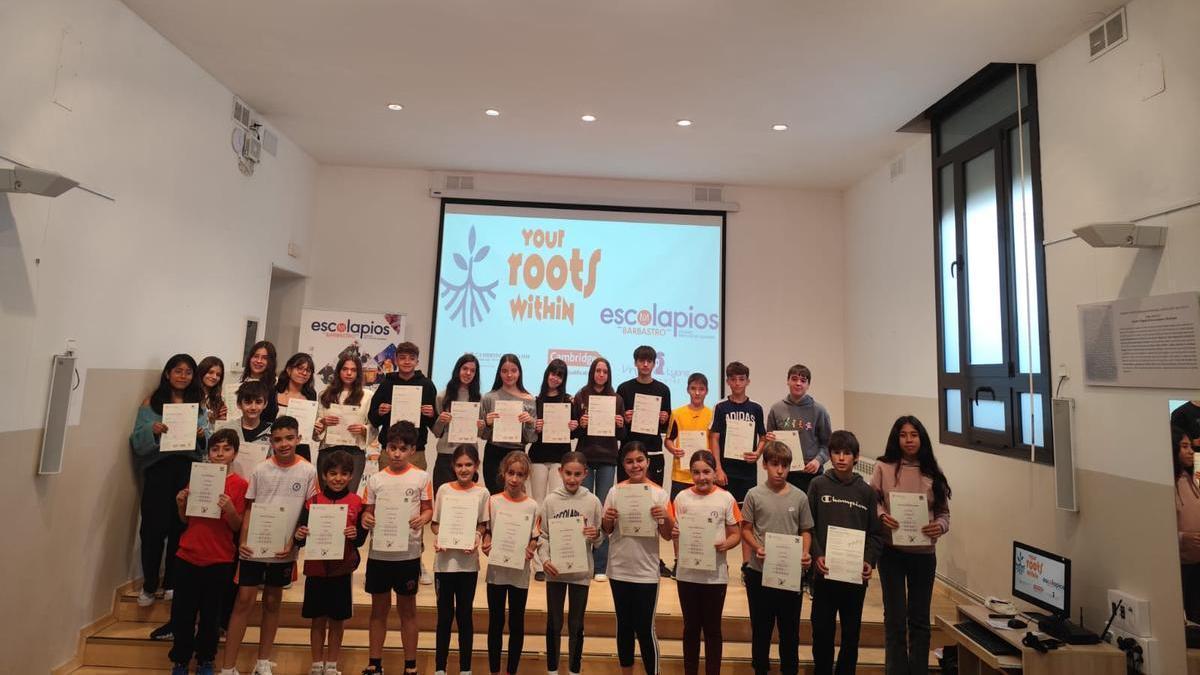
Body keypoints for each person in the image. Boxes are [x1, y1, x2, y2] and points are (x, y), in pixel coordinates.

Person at [220, 416, 319, 675]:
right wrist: (243, 540)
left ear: (298, 438)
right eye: (277, 439)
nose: (283, 444)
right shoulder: (260, 470)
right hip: (254, 547)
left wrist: (294, 543)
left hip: (283, 550)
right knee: (243, 601)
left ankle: (263, 661)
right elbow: (251, 508)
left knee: (273, 602)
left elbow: (308, 511)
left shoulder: (308, 470)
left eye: (289, 438)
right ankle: (228, 666)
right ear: (271, 442)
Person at [871, 416, 951, 675]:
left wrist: (939, 526)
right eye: (903, 435)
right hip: (891, 552)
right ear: (897, 438)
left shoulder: (932, 471)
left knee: (919, 620)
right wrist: (882, 516)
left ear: (921, 438)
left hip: (923, 555)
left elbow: (943, 514)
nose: (908, 440)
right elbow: (873, 501)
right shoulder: (883, 467)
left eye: (913, 435)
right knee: (894, 619)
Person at [167, 428, 247, 675]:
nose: (220, 454)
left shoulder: (240, 485)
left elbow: (237, 525)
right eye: (215, 449)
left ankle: (205, 660)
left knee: (211, 616)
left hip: (219, 559)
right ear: (208, 452)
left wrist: (230, 509)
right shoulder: (197, 477)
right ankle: (180, 660)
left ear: (234, 453)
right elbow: (185, 519)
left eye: (226, 449)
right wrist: (181, 504)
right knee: (183, 613)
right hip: (188, 555)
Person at [130, 353, 208, 608]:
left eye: (188, 372)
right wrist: (152, 432)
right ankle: (150, 584)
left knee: (181, 526)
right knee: (152, 529)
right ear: (167, 373)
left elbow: (206, 442)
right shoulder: (151, 403)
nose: (183, 376)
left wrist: (199, 436)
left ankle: (172, 582)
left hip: (187, 470)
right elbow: (137, 441)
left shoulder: (199, 404)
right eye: (178, 371)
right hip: (159, 470)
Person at [808, 430, 885, 675]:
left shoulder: (866, 492)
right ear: (829, 456)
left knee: (851, 636)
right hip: (824, 575)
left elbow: (875, 533)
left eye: (847, 453)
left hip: (853, 578)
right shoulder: (818, 484)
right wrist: (817, 554)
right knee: (822, 633)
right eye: (836, 453)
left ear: (856, 457)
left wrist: (868, 561)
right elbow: (808, 526)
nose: (841, 458)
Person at [361, 421, 434, 675]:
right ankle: (374, 663)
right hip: (379, 553)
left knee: (408, 612)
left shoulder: (422, 477)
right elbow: (367, 514)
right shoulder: (375, 479)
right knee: (378, 611)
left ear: (413, 450)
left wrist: (423, 519)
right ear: (385, 449)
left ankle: (410, 665)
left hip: (408, 554)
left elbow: (428, 510)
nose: (396, 453)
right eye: (392, 448)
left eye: (403, 449)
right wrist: (365, 519)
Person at [601, 441, 674, 675]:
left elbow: (666, 535)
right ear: (623, 464)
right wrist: (608, 518)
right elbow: (607, 529)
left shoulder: (660, 494)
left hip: (646, 572)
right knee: (624, 626)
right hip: (619, 568)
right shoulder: (615, 491)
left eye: (639, 460)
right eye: (630, 461)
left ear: (648, 462)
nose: (635, 465)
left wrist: (666, 517)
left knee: (644, 628)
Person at [740, 440, 813, 675]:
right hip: (759, 572)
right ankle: (760, 669)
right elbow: (746, 529)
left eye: (784, 465)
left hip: (790, 575)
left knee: (790, 631)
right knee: (761, 630)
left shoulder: (800, 497)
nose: (780, 470)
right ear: (765, 465)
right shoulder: (753, 494)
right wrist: (756, 547)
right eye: (774, 464)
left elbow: (805, 530)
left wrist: (804, 552)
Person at [294, 449, 368, 675]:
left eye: (344, 474)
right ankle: (317, 665)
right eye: (333, 473)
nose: (338, 478)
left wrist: (355, 534)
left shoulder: (357, 502)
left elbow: (361, 539)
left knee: (337, 620)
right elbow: (300, 537)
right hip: (316, 570)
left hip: (341, 571)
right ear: (324, 475)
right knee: (317, 619)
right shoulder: (312, 502)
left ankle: (332, 665)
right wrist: (300, 535)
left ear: (351, 476)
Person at [669, 450, 741, 675]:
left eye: (706, 472)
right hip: (687, 574)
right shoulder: (681, 498)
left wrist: (725, 544)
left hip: (715, 575)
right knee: (690, 628)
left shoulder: (726, 498)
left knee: (712, 629)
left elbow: (735, 534)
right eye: (696, 472)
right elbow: (675, 533)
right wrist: (678, 549)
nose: (701, 477)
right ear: (690, 474)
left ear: (715, 472)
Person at [538, 451, 605, 675]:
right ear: (560, 472)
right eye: (568, 473)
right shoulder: (550, 500)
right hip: (555, 571)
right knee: (554, 623)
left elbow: (599, 539)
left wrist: (595, 534)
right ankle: (552, 669)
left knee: (576, 625)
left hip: (580, 573)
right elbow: (543, 536)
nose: (572, 479)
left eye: (577, 474)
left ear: (586, 474)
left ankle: (575, 669)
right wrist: (545, 560)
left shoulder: (593, 501)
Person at [431, 446, 490, 675]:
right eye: (459, 465)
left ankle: (466, 668)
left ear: (476, 466)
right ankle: (439, 668)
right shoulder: (444, 490)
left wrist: (476, 536)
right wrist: (439, 537)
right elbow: (435, 523)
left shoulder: (482, 493)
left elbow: (483, 524)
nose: (463, 469)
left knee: (465, 615)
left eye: (468, 465)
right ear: (452, 466)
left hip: (468, 564)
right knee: (443, 617)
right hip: (444, 563)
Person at [483, 451, 540, 675]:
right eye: (511, 473)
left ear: (526, 477)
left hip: (519, 573)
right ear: (503, 473)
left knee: (516, 623)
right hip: (497, 571)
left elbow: (535, 537)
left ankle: (511, 671)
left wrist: (531, 548)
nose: (515, 479)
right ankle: (495, 670)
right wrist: (485, 544)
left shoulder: (533, 506)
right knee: (495, 622)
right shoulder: (493, 502)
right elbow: (487, 531)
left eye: (520, 474)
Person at [572, 357, 626, 581]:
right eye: (598, 370)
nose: (601, 374)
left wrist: (621, 424)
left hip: (607, 459)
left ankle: (601, 565)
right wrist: (581, 425)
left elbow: (622, 436)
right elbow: (573, 432)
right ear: (592, 372)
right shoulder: (581, 395)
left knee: (603, 509)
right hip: (585, 457)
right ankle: (579, 559)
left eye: (605, 371)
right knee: (583, 508)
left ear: (609, 374)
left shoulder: (617, 399)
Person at [663, 373, 713, 574]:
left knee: (704, 520)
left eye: (701, 389)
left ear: (706, 391)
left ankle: (703, 558)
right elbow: (668, 439)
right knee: (678, 522)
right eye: (693, 388)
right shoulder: (677, 413)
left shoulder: (712, 414)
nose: (697, 392)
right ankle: (679, 560)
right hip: (681, 475)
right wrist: (672, 449)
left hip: (704, 478)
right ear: (687, 389)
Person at [368, 341, 438, 471]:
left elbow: (435, 425)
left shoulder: (427, 385)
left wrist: (432, 414)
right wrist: (380, 412)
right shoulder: (386, 384)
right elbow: (372, 418)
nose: (407, 362)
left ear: (417, 362)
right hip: (389, 451)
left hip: (416, 452)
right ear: (396, 360)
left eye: (412, 358)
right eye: (402, 358)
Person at [765, 364, 831, 493]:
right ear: (788, 381)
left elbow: (828, 444)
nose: (798, 383)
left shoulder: (819, 410)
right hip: (783, 472)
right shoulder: (776, 409)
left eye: (803, 380)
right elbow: (770, 444)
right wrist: (770, 440)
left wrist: (818, 461)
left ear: (808, 385)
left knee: (810, 512)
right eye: (794, 379)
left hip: (811, 472)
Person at [709, 361, 766, 504]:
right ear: (727, 381)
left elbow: (763, 437)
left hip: (748, 470)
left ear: (748, 381)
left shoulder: (756, 408)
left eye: (741, 379)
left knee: (746, 512)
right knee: (724, 509)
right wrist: (718, 468)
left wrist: (758, 453)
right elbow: (714, 438)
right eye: (733, 379)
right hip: (726, 471)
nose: (737, 383)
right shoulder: (720, 407)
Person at [479, 353, 536, 493]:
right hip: (494, 453)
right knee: (494, 497)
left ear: (520, 372)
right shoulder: (489, 398)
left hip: (518, 453)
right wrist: (488, 423)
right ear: (499, 373)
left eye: (513, 371)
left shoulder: (529, 399)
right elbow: (482, 435)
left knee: (515, 498)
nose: (509, 375)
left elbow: (531, 438)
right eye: (504, 371)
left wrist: (529, 422)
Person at [314, 355, 372, 493]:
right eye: (345, 369)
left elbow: (372, 426)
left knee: (349, 498)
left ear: (358, 373)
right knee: (326, 497)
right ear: (338, 371)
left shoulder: (367, 395)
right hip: (328, 450)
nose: (349, 373)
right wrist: (322, 422)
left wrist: (364, 430)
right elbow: (316, 426)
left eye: (353, 370)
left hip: (354, 453)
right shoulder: (324, 394)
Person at [616, 345, 672, 486]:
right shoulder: (623, 388)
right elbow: (618, 423)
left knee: (655, 496)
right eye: (641, 361)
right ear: (635, 363)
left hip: (654, 451)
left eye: (649, 361)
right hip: (628, 451)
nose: (645, 364)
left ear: (654, 364)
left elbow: (666, 426)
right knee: (626, 497)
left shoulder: (663, 389)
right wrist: (624, 418)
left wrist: (665, 419)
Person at [429, 353, 483, 492]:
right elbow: (436, 432)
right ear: (458, 370)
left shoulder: (479, 398)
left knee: (466, 503)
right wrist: (441, 420)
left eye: (473, 370)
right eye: (465, 368)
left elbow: (481, 433)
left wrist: (481, 426)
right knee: (444, 498)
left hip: (469, 454)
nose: (468, 373)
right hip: (446, 454)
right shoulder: (442, 396)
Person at [223, 380, 273, 480]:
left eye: (258, 402)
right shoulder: (226, 430)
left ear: (265, 404)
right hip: (230, 486)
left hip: (261, 485)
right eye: (248, 402)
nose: (253, 407)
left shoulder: (272, 432)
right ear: (239, 404)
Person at [1175, 427, 1200, 622]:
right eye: (1185, 446)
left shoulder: (1192, 479)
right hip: (1180, 566)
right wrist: (1183, 537)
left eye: (1191, 446)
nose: (1191, 451)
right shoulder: (1170, 482)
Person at [276, 352, 318, 461]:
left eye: (308, 370)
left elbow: (310, 425)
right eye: (300, 368)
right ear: (289, 370)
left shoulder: (311, 395)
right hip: (276, 446)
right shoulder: (274, 392)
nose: (304, 373)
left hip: (301, 447)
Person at [241, 340, 279, 422]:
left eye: (264, 358)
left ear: (271, 362)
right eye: (256, 356)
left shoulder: (275, 386)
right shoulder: (241, 383)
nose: (259, 361)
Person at [197, 356, 228, 430]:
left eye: (218, 375)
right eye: (210, 372)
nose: (214, 377)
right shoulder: (191, 395)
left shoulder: (219, 399)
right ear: (202, 372)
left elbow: (215, 427)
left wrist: (220, 420)